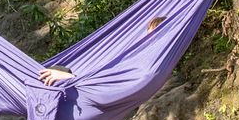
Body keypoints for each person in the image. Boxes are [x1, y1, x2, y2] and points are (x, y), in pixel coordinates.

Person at [38, 16, 169, 85]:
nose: (148, 37)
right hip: (93, 79)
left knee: (58, 76)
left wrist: (71, 78)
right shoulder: (139, 51)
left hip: (96, 85)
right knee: (48, 73)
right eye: (148, 32)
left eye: (154, 33)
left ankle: (68, 78)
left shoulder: (152, 59)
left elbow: (118, 82)